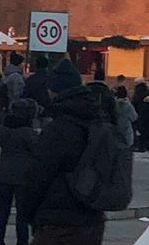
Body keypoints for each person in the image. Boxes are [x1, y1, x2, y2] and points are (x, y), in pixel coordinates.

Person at [19, 60, 105, 245]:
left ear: (54, 91)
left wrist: (27, 213)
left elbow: (38, 176)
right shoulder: (97, 122)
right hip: (92, 218)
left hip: (57, 221)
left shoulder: (59, 129)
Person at [0, 98, 37, 245]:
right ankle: (22, 241)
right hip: (22, 176)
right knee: (22, 213)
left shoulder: (3, 129)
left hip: (4, 174)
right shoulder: (26, 132)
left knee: (3, 210)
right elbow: (37, 149)